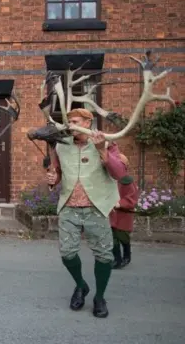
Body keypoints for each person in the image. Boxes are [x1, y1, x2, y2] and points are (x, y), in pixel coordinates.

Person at [47, 108, 126, 318]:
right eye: (68, 122)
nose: (70, 125)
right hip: (69, 207)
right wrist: (52, 180)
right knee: (67, 254)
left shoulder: (107, 143)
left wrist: (102, 151)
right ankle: (81, 285)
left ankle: (99, 296)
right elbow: (56, 174)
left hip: (96, 207)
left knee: (104, 256)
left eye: (74, 121)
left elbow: (120, 173)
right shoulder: (61, 146)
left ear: (88, 122)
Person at [109, 154, 139, 269]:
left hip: (123, 215)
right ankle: (117, 259)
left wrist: (119, 203)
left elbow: (132, 198)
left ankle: (127, 256)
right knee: (112, 237)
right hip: (112, 214)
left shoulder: (127, 181)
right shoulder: (110, 179)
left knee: (123, 237)